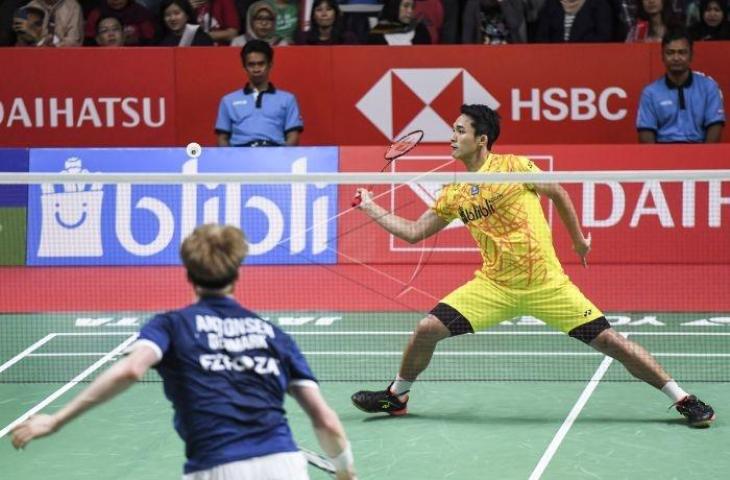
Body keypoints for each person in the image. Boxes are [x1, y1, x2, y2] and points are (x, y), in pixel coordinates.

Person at [350, 103, 716, 429]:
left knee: (612, 343)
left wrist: (577, 240)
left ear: (482, 139)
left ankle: (683, 397)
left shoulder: (514, 166)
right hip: (493, 287)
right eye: (453, 130)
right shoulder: (454, 192)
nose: (452, 137)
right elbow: (415, 232)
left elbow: (558, 192)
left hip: (546, 284)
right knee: (426, 329)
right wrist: (371, 208)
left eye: (460, 130)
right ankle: (396, 396)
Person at [11, 224, 357, 480]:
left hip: (217, 467)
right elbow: (324, 419)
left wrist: (56, 420)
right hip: (285, 466)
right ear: (238, 273)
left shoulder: (170, 326)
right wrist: (344, 471)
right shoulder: (275, 335)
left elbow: (131, 370)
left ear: (187, 275)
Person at [636, 29, 725, 143]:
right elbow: (646, 132)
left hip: (700, 151)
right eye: (670, 52)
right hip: (663, 154)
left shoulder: (709, 87)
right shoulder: (650, 92)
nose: (676, 58)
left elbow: (715, 125)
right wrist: (655, 159)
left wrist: (705, 157)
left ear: (691, 55)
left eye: (682, 52)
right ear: (662, 56)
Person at [215, 40, 303, 147]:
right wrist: (231, 160)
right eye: (251, 64)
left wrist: (281, 159)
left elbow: (293, 136)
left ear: (270, 64)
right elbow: (222, 138)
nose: (256, 69)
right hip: (239, 154)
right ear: (244, 67)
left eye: (261, 64)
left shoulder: (288, 99)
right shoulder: (228, 100)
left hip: (274, 153)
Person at [535, 0, 614, 42]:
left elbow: (604, 36)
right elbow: (542, 36)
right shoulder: (551, 3)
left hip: (588, 56)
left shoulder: (599, 4)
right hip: (556, 57)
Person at [85, 0, 156, 46]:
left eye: (115, 29)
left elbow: (150, 40)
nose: (116, 1)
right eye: (104, 30)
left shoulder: (140, 12)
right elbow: (89, 40)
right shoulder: (96, 13)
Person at [367, 0, 432, 45]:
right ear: (395, 7)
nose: (410, 11)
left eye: (412, 7)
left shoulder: (420, 31)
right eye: (406, 6)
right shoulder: (377, 34)